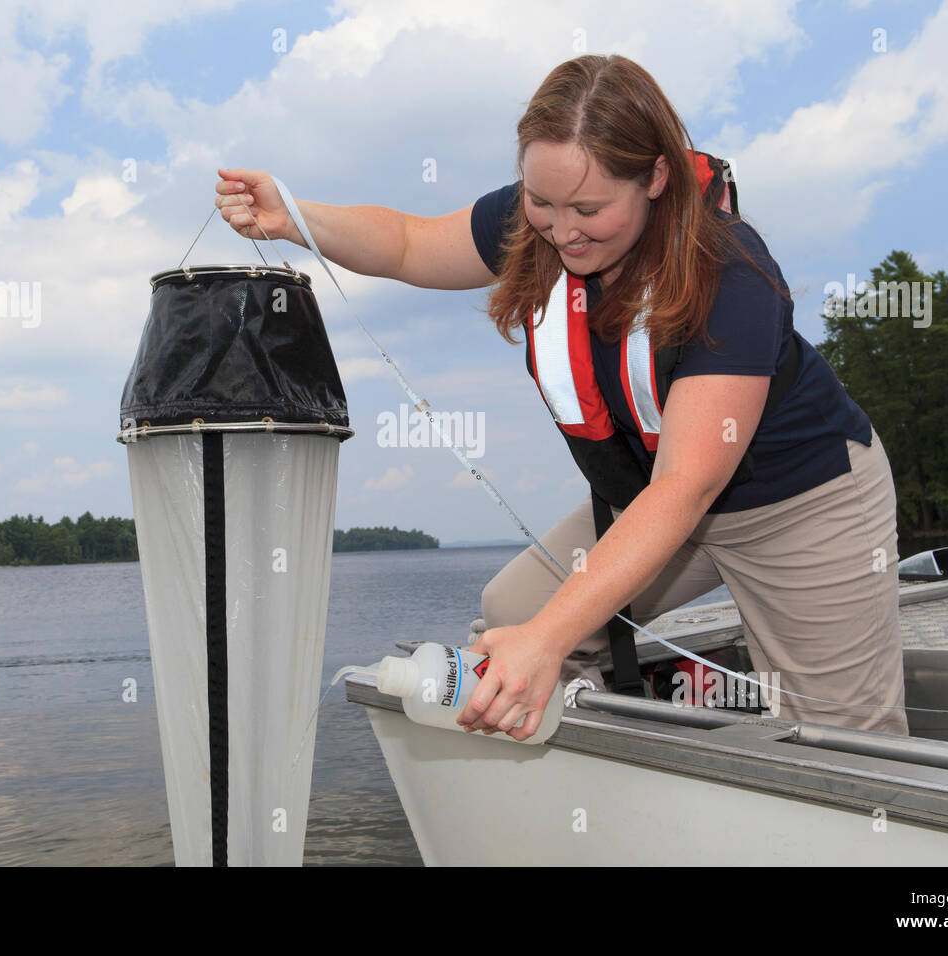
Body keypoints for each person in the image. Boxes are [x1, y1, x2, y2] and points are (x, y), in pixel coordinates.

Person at [213, 53, 909, 742]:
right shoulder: (534, 221)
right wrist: (295, 216)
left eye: (589, 208)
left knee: (845, 740)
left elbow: (685, 486)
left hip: (797, 505)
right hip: (650, 503)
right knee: (512, 610)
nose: (562, 229)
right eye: (541, 202)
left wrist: (547, 639)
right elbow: (406, 244)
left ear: (657, 178)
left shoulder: (730, 273)